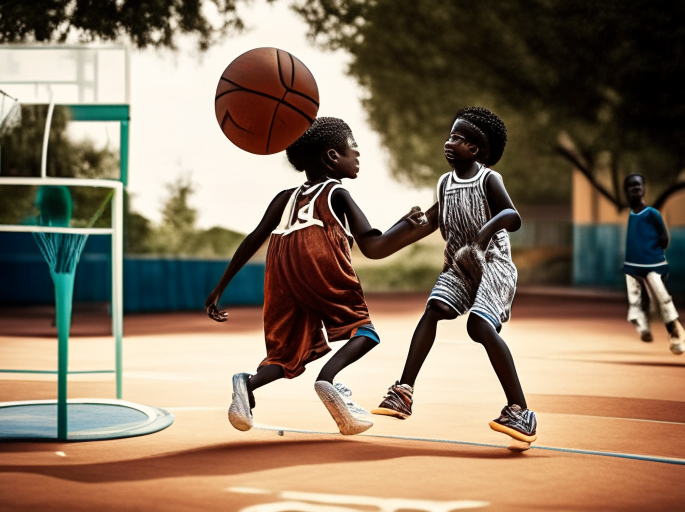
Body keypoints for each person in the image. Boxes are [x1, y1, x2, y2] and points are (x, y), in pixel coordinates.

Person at [205, 117, 428, 436]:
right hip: (319, 258)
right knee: (363, 332)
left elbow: (253, 239)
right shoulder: (337, 193)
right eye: (353, 149)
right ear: (332, 157)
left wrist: (219, 288)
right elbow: (373, 247)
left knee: (288, 353)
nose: (359, 155)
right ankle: (329, 379)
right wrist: (408, 226)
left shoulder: (285, 197)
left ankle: (247, 384)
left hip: (280, 268)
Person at [371, 106, 538, 447]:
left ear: (475, 150)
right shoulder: (445, 182)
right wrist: (403, 227)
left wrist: (483, 235)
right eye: (449, 136)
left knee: (478, 327)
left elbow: (512, 215)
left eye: (458, 139)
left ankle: (521, 411)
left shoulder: (489, 179)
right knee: (433, 310)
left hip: (493, 263)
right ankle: (403, 391)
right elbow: (433, 220)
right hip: (460, 265)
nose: (449, 142)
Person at [622, 173, 685, 355]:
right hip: (632, 265)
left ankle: (674, 330)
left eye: (638, 185)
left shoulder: (652, 213)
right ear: (626, 192)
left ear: (644, 189)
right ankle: (642, 323)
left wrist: (653, 255)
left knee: (661, 295)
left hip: (651, 264)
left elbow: (664, 238)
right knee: (634, 297)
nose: (635, 188)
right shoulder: (630, 215)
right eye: (631, 186)